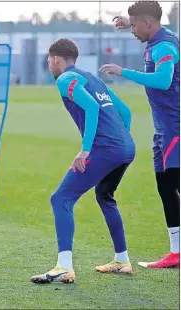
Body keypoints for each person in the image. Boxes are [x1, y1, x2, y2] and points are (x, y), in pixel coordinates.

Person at [31, 38, 136, 284]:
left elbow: (91, 107)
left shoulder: (65, 79)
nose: (49, 65)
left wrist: (86, 150)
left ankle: (64, 267)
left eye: (48, 61)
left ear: (56, 59)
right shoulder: (94, 79)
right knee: (105, 196)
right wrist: (121, 143)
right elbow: (126, 112)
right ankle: (122, 260)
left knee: (61, 199)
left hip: (104, 149)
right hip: (126, 148)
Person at [100, 0, 180, 269]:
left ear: (148, 24)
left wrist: (124, 72)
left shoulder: (165, 46)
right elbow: (147, 22)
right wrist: (126, 20)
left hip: (175, 128)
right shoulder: (157, 38)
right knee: (166, 188)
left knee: (173, 185)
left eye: (134, 26)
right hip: (163, 129)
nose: (131, 30)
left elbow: (163, 80)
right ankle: (176, 252)